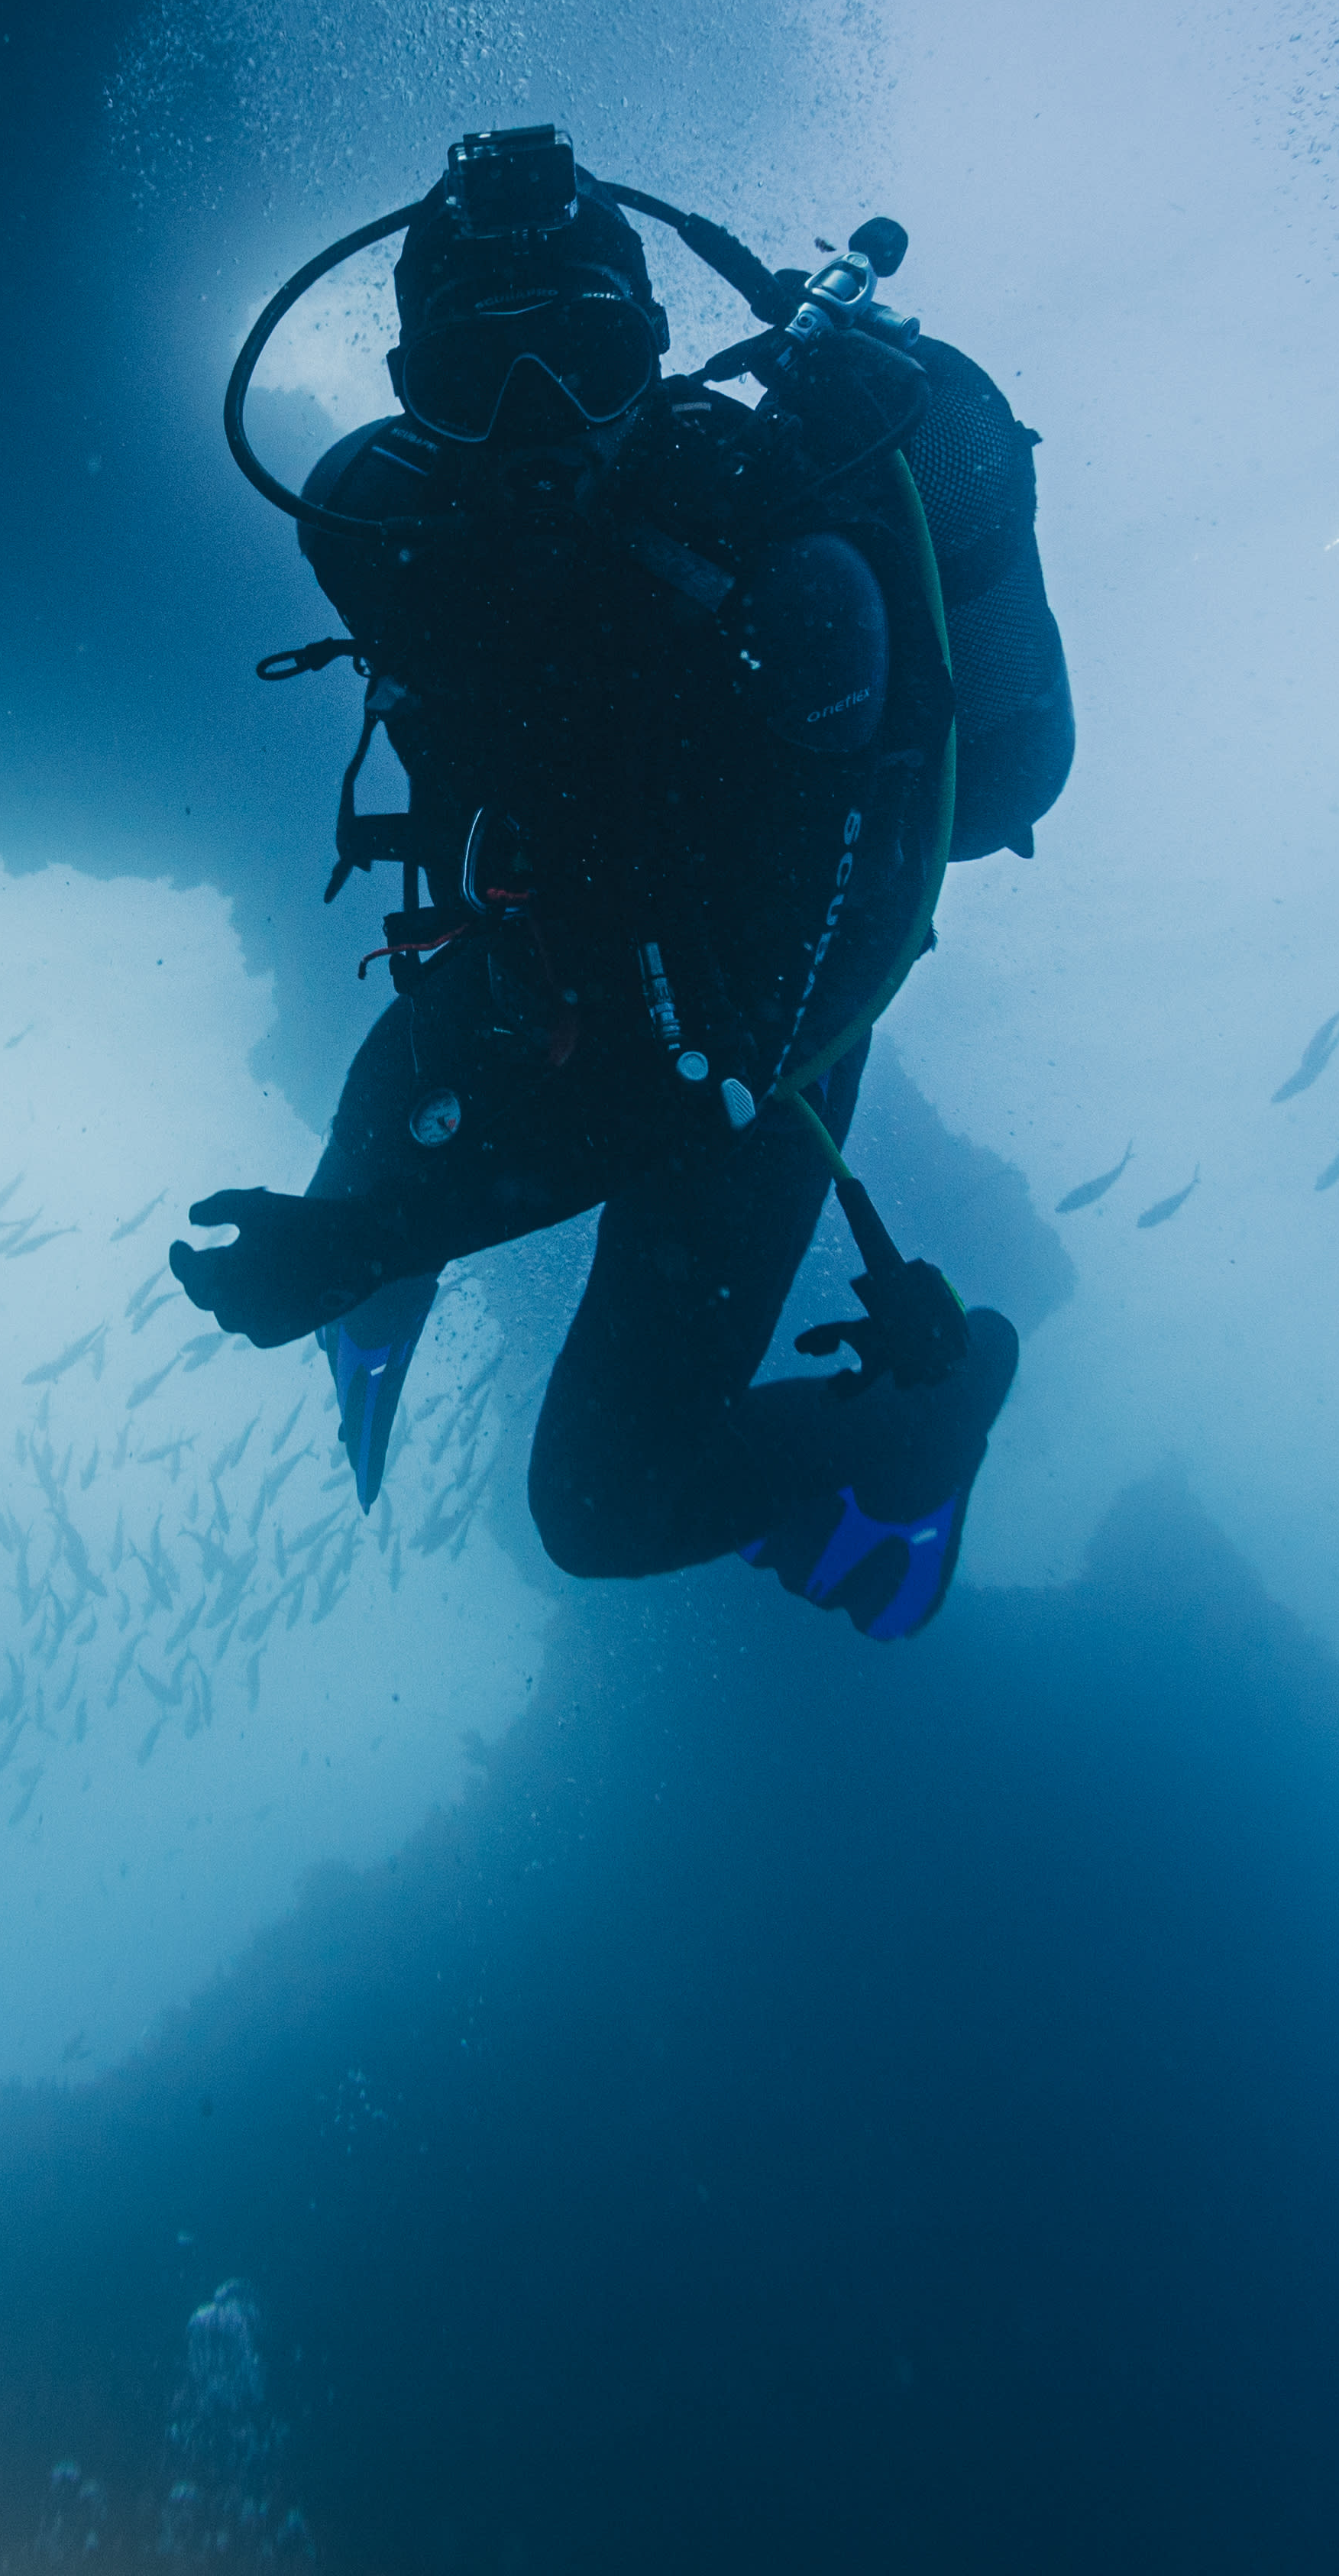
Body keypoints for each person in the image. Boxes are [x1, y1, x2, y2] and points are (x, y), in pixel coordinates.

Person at [169, 125, 1053, 1639]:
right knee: (395, 1080)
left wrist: (371, 1241)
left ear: (651, 352)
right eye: (472, 379)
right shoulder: (375, 526)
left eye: (582, 357)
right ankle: (377, 1293)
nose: (535, 426)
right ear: (406, 392)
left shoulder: (799, 593)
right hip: (550, 949)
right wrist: (376, 1219)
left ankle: (924, 1429)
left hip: (765, 1044)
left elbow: (710, 1080)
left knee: (602, 1508)